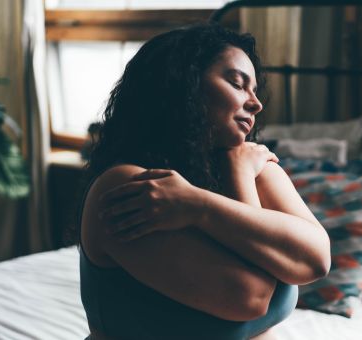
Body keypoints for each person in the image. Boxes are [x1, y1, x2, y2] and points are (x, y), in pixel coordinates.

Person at [78, 24, 331, 340]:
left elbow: (316, 260)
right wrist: (210, 200)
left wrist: (201, 201)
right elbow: (250, 297)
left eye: (255, 90)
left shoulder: (245, 165)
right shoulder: (131, 186)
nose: (256, 103)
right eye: (238, 84)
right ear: (183, 85)